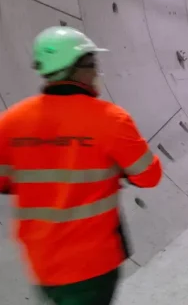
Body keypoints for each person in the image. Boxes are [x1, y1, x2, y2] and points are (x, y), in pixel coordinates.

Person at [0, 26, 163, 305]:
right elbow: (149, 176)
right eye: (93, 64)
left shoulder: (11, 121)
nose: (96, 72)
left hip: (41, 262)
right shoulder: (110, 120)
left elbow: (5, 182)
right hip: (93, 263)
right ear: (78, 69)